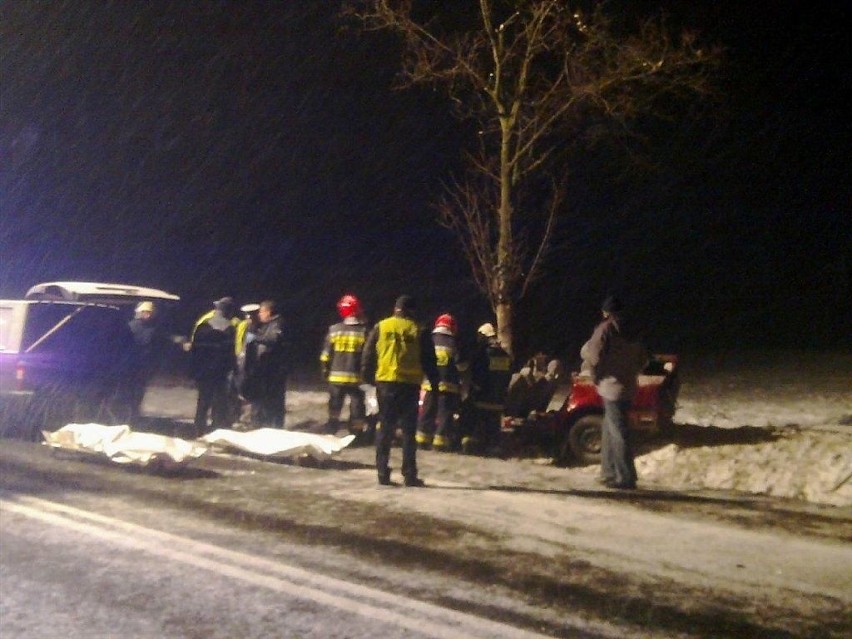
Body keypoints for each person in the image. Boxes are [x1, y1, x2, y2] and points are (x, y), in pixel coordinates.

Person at [362, 295, 439, 487]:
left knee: (385, 428)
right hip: (409, 386)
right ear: (411, 310)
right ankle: (409, 474)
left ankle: (382, 471)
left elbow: (368, 353)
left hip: (385, 384)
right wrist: (435, 383)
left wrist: (367, 378)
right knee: (408, 432)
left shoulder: (381, 326)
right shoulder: (419, 330)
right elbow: (429, 360)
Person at [580, 294, 648, 490]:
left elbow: (593, 356)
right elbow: (643, 359)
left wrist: (596, 376)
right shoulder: (634, 330)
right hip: (628, 386)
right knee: (609, 430)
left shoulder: (605, 329)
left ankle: (625, 477)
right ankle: (608, 472)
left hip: (610, 386)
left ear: (606, 312)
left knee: (617, 432)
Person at [189, 297, 238, 437]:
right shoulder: (230, 328)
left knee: (203, 401)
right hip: (220, 372)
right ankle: (217, 430)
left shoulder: (202, 325)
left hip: (204, 371)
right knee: (219, 401)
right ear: (227, 311)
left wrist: (193, 371)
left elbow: (195, 351)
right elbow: (230, 353)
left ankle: (199, 429)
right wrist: (233, 369)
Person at [319, 294, 368, 435]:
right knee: (357, 408)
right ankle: (356, 436)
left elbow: (325, 355)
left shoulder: (334, 330)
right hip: (356, 379)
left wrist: (325, 372)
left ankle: (331, 431)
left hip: (335, 377)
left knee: (334, 408)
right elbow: (368, 356)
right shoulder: (364, 331)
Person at [462, 322, 512, 456]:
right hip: (498, 398)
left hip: (483, 397)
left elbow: (477, 374)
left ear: (483, 336)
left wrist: (475, 388)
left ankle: (478, 447)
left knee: (479, 424)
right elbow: (507, 376)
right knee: (494, 426)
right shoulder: (504, 355)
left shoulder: (483, 354)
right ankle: (493, 447)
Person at [416, 313, 463, 452]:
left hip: (430, 384)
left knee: (427, 412)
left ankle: (421, 440)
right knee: (444, 414)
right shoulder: (454, 342)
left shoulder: (429, 339)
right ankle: (440, 443)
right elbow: (460, 365)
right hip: (448, 386)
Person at [126, 300, 168, 425]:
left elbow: (158, 345)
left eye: (149, 312)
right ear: (139, 312)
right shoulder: (132, 326)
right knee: (131, 391)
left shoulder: (153, 329)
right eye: (145, 312)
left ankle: (133, 414)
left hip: (141, 364)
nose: (148, 315)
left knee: (138, 391)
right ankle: (129, 414)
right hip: (133, 364)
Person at [250, 299, 290, 428]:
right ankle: (265, 424)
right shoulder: (266, 324)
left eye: (261, 312)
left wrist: (255, 337)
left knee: (274, 400)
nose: (259, 315)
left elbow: (273, 339)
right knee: (264, 399)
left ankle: (275, 426)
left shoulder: (278, 323)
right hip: (266, 369)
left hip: (275, 370)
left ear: (269, 312)